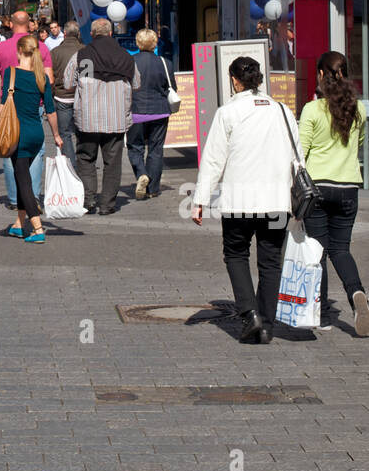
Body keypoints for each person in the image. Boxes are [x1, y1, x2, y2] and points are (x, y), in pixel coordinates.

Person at [192, 55, 300, 344]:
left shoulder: (228, 113)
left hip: (240, 200)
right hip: (277, 201)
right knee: (270, 262)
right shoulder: (282, 111)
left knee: (236, 254)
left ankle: (249, 313)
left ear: (234, 80)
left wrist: (200, 199)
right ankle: (266, 324)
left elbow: (214, 159)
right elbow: (297, 157)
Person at [299, 51, 369, 336]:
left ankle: (323, 315)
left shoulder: (312, 110)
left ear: (319, 75)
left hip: (317, 189)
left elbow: (300, 152)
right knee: (341, 250)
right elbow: (360, 141)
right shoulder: (359, 109)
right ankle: (358, 295)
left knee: (318, 251)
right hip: (348, 188)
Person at [63, 17, 138, 215]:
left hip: (87, 119)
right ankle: (107, 205)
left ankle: (88, 200)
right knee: (112, 163)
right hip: (116, 120)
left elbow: (68, 83)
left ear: (92, 34)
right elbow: (137, 83)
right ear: (111, 33)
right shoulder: (126, 56)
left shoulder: (81, 55)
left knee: (86, 159)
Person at [0, 10, 54, 211]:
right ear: (30, 24)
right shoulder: (40, 47)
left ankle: (16, 199)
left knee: (9, 148)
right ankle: (32, 197)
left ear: (11, 23)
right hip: (35, 107)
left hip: (9, 107)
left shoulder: (2, 47)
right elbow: (49, 79)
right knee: (36, 152)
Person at [2, 34, 62, 243]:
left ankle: (37, 228)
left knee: (24, 180)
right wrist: (56, 135)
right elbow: (51, 110)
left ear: (19, 51)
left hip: (16, 134)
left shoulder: (10, 74)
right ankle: (19, 224)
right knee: (22, 177)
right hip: (36, 133)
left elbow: (3, 107)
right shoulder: (42, 77)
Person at [127, 27, 172, 201]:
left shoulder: (130, 62)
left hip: (135, 111)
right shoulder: (164, 63)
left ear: (138, 43)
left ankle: (141, 173)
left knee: (135, 147)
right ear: (154, 43)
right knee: (156, 149)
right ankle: (153, 188)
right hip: (159, 111)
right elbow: (171, 88)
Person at [49, 21, 82, 175]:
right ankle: (84, 164)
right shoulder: (86, 51)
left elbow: (50, 76)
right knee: (82, 132)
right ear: (79, 34)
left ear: (65, 34)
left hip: (62, 96)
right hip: (82, 97)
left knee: (65, 134)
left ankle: (71, 166)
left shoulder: (55, 52)